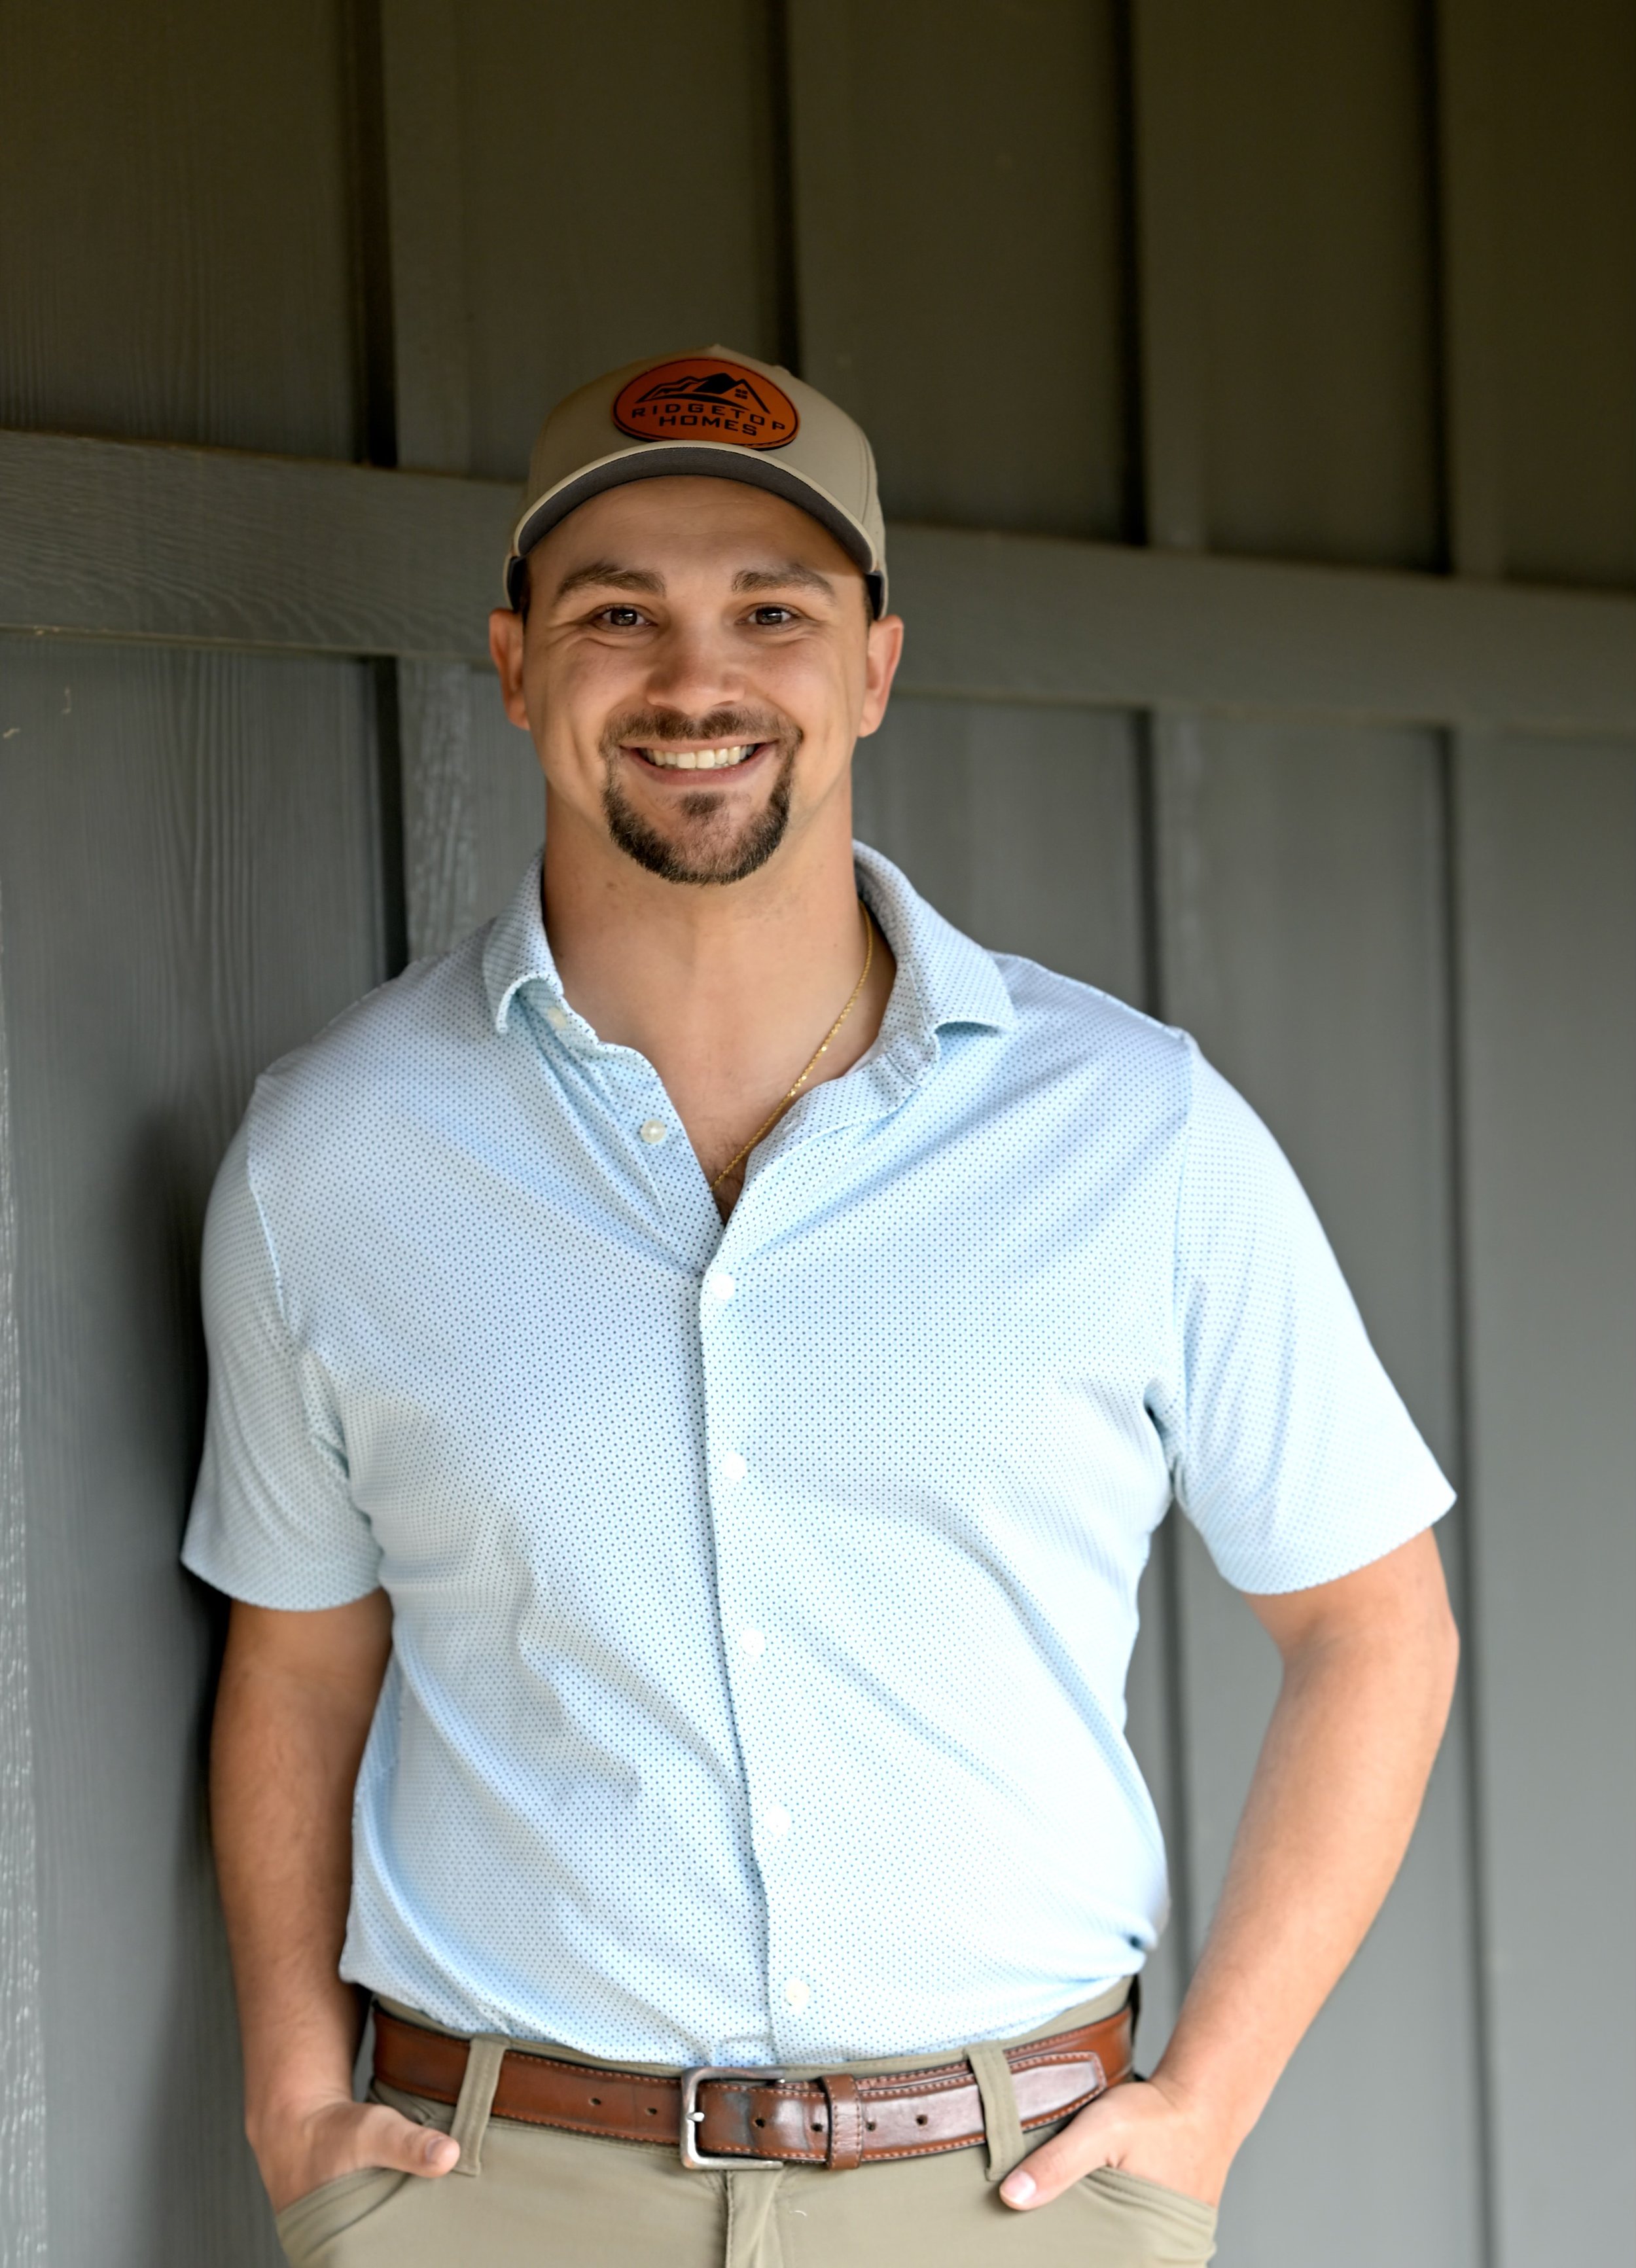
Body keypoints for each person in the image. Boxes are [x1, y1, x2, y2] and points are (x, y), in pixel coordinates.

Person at [185, 347, 1460, 2268]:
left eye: (768, 612)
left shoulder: (1134, 1129)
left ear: (868, 664)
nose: (696, 679)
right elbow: (295, 1662)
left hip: (1004, 2196)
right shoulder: (331, 1158)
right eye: (619, 613)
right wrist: (299, 2105)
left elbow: (1372, 1622)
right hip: (496, 2196)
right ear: (518, 664)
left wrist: (1193, 2119)